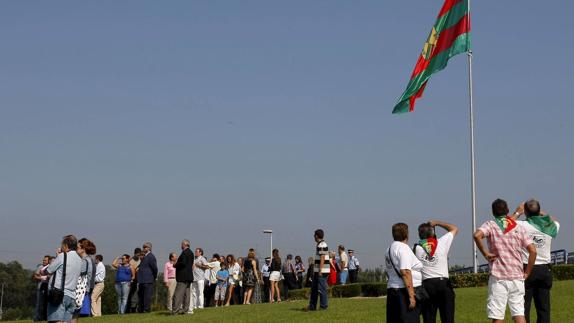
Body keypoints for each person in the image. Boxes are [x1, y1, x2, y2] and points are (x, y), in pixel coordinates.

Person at [474, 198, 537, 323]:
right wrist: (528, 272)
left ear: (493, 212)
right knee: (519, 315)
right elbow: (533, 251)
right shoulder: (518, 227)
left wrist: (486, 253)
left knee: (497, 316)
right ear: (507, 210)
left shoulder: (490, 225)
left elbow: (477, 235)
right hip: (517, 277)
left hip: (499, 278)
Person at [511, 199, 560, 323]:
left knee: (523, 308)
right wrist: (539, 213)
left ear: (526, 212)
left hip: (526, 269)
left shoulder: (521, 225)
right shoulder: (550, 226)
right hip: (544, 269)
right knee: (544, 309)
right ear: (538, 211)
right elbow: (554, 220)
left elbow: (506, 226)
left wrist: (517, 212)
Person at [414, 220, 458, 323]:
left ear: (419, 235)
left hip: (426, 286)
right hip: (444, 285)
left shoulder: (415, 248)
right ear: (433, 233)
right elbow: (454, 228)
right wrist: (437, 223)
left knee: (429, 319)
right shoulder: (442, 242)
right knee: (448, 319)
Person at [385, 223, 423, 323]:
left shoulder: (388, 249)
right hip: (404, 292)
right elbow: (405, 271)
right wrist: (411, 297)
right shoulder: (403, 248)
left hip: (392, 289)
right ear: (406, 234)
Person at [41, 235, 83, 323]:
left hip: (59, 294)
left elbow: (47, 271)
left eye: (62, 245)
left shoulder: (62, 256)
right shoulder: (80, 259)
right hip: (72, 295)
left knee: (55, 320)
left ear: (66, 246)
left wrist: (57, 256)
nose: (61, 247)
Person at [72, 238, 96, 322]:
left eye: (77, 248)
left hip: (81, 290)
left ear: (83, 249)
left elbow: (77, 274)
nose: (76, 250)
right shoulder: (90, 259)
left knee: (74, 314)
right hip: (86, 290)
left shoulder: (85, 261)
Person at [307, 229, 330, 311]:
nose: (313, 237)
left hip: (322, 271)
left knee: (321, 289)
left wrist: (320, 270)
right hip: (318, 271)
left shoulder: (322, 245)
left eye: (314, 235)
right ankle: (312, 306)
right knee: (314, 289)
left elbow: (322, 257)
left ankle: (324, 307)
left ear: (317, 236)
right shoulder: (320, 244)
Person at [172, 240, 194, 315]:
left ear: (184, 244)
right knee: (186, 294)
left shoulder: (184, 252)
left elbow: (183, 263)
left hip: (182, 277)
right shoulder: (191, 252)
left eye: (181, 244)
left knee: (178, 294)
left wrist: (176, 264)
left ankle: (175, 311)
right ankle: (185, 310)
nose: (181, 246)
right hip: (189, 276)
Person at [138, 242, 158, 313]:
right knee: (141, 295)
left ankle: (146, 309)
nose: (143, 248)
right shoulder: (144, 257)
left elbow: (155, 268)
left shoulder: (151, 257)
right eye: (143, 247)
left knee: (147, 296)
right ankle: (141, 309)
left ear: (149, 248)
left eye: (145, 247)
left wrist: (154, 277)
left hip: (148, 279)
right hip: (142, 279)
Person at [33, 255, 52, 321]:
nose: (43, 261)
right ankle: (37, 318)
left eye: (45, 260)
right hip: (40, 287)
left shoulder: (51, 267)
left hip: (48, 288)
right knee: (39, 304)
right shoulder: (40, 267)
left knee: (47, 303)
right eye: (43, 260)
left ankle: (46, 317)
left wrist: (47, 277)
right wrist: (41, 277)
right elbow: (35, 276)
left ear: (49, 261)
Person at [126, 248, 141, 313]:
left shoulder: (141, 260)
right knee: (129, 295)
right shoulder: (130, 260)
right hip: (130, 280)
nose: (138, 256)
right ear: (134, 254)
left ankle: (134, 308)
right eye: (137, 255)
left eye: (139, 255)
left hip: (138, 280)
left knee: (136, 295)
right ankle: (128, 309)